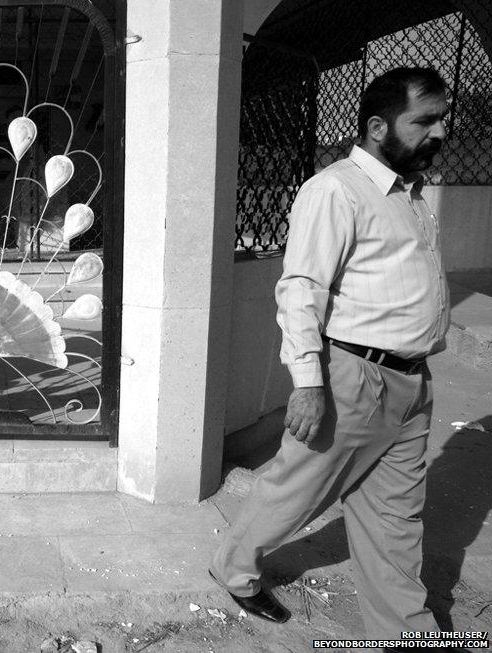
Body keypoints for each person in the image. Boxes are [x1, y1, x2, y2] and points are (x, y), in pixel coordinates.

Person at [209, 66, 451, 640]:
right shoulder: (335, 190)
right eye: (424, 120)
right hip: (353, 379)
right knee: (296, 492)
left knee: (396, 517)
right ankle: (234, 569)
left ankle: (405, 632)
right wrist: (309, 385)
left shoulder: (410, 193)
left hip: (412, 384)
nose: (439, 132)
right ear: (375, 125)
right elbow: (300, 291)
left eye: (442, 119)